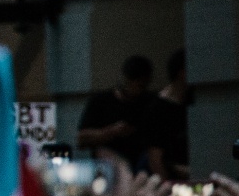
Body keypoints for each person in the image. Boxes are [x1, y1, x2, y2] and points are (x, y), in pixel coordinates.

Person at [76, 54, 154, 168]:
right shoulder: (101, 101)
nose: (136, 90)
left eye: (142, 86)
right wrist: (112, 131)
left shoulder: (149, 102)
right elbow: (82, 138)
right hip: (109, 165)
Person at [145, 48, 189, 179]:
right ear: (182, 72)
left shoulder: (193, 101)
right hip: (173, 179)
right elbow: (155, 157)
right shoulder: (158, 109)